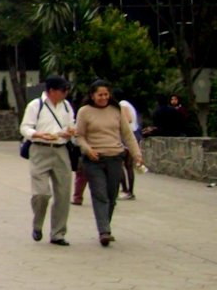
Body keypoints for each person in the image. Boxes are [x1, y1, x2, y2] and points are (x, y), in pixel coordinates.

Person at [74, 80, 144, 247]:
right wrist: (87, 149)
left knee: (112, 196)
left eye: (106, 94)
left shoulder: (116, 110)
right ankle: (104, 231)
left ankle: (105, 225)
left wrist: (137, 154)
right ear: (92, 95)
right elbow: (79, 136)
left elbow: (127, 135)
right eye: (100, 95)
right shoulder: (84, 111)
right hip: (94, 160)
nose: (104, 97)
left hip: (115, 158)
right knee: (100, 194)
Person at [19, 76, 76, 246]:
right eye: (63, 90)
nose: (66, 93)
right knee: (41, 194)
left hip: (61, 150)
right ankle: (38, 223)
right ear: (52, 91)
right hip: (40, 149)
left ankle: (58, 233)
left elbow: (70, 125)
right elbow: (25, 127)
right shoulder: (36, 105)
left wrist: (69, 132)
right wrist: (37, 134)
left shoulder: (66, 106)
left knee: (63, 194)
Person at [115, 89, 141, 201]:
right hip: (134, 133)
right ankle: (129, 191)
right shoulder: (128, 104)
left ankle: (126, 190)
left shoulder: (122, 104)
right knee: (128, 165)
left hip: (127, 136)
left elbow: (128, 119)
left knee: (122, 164)